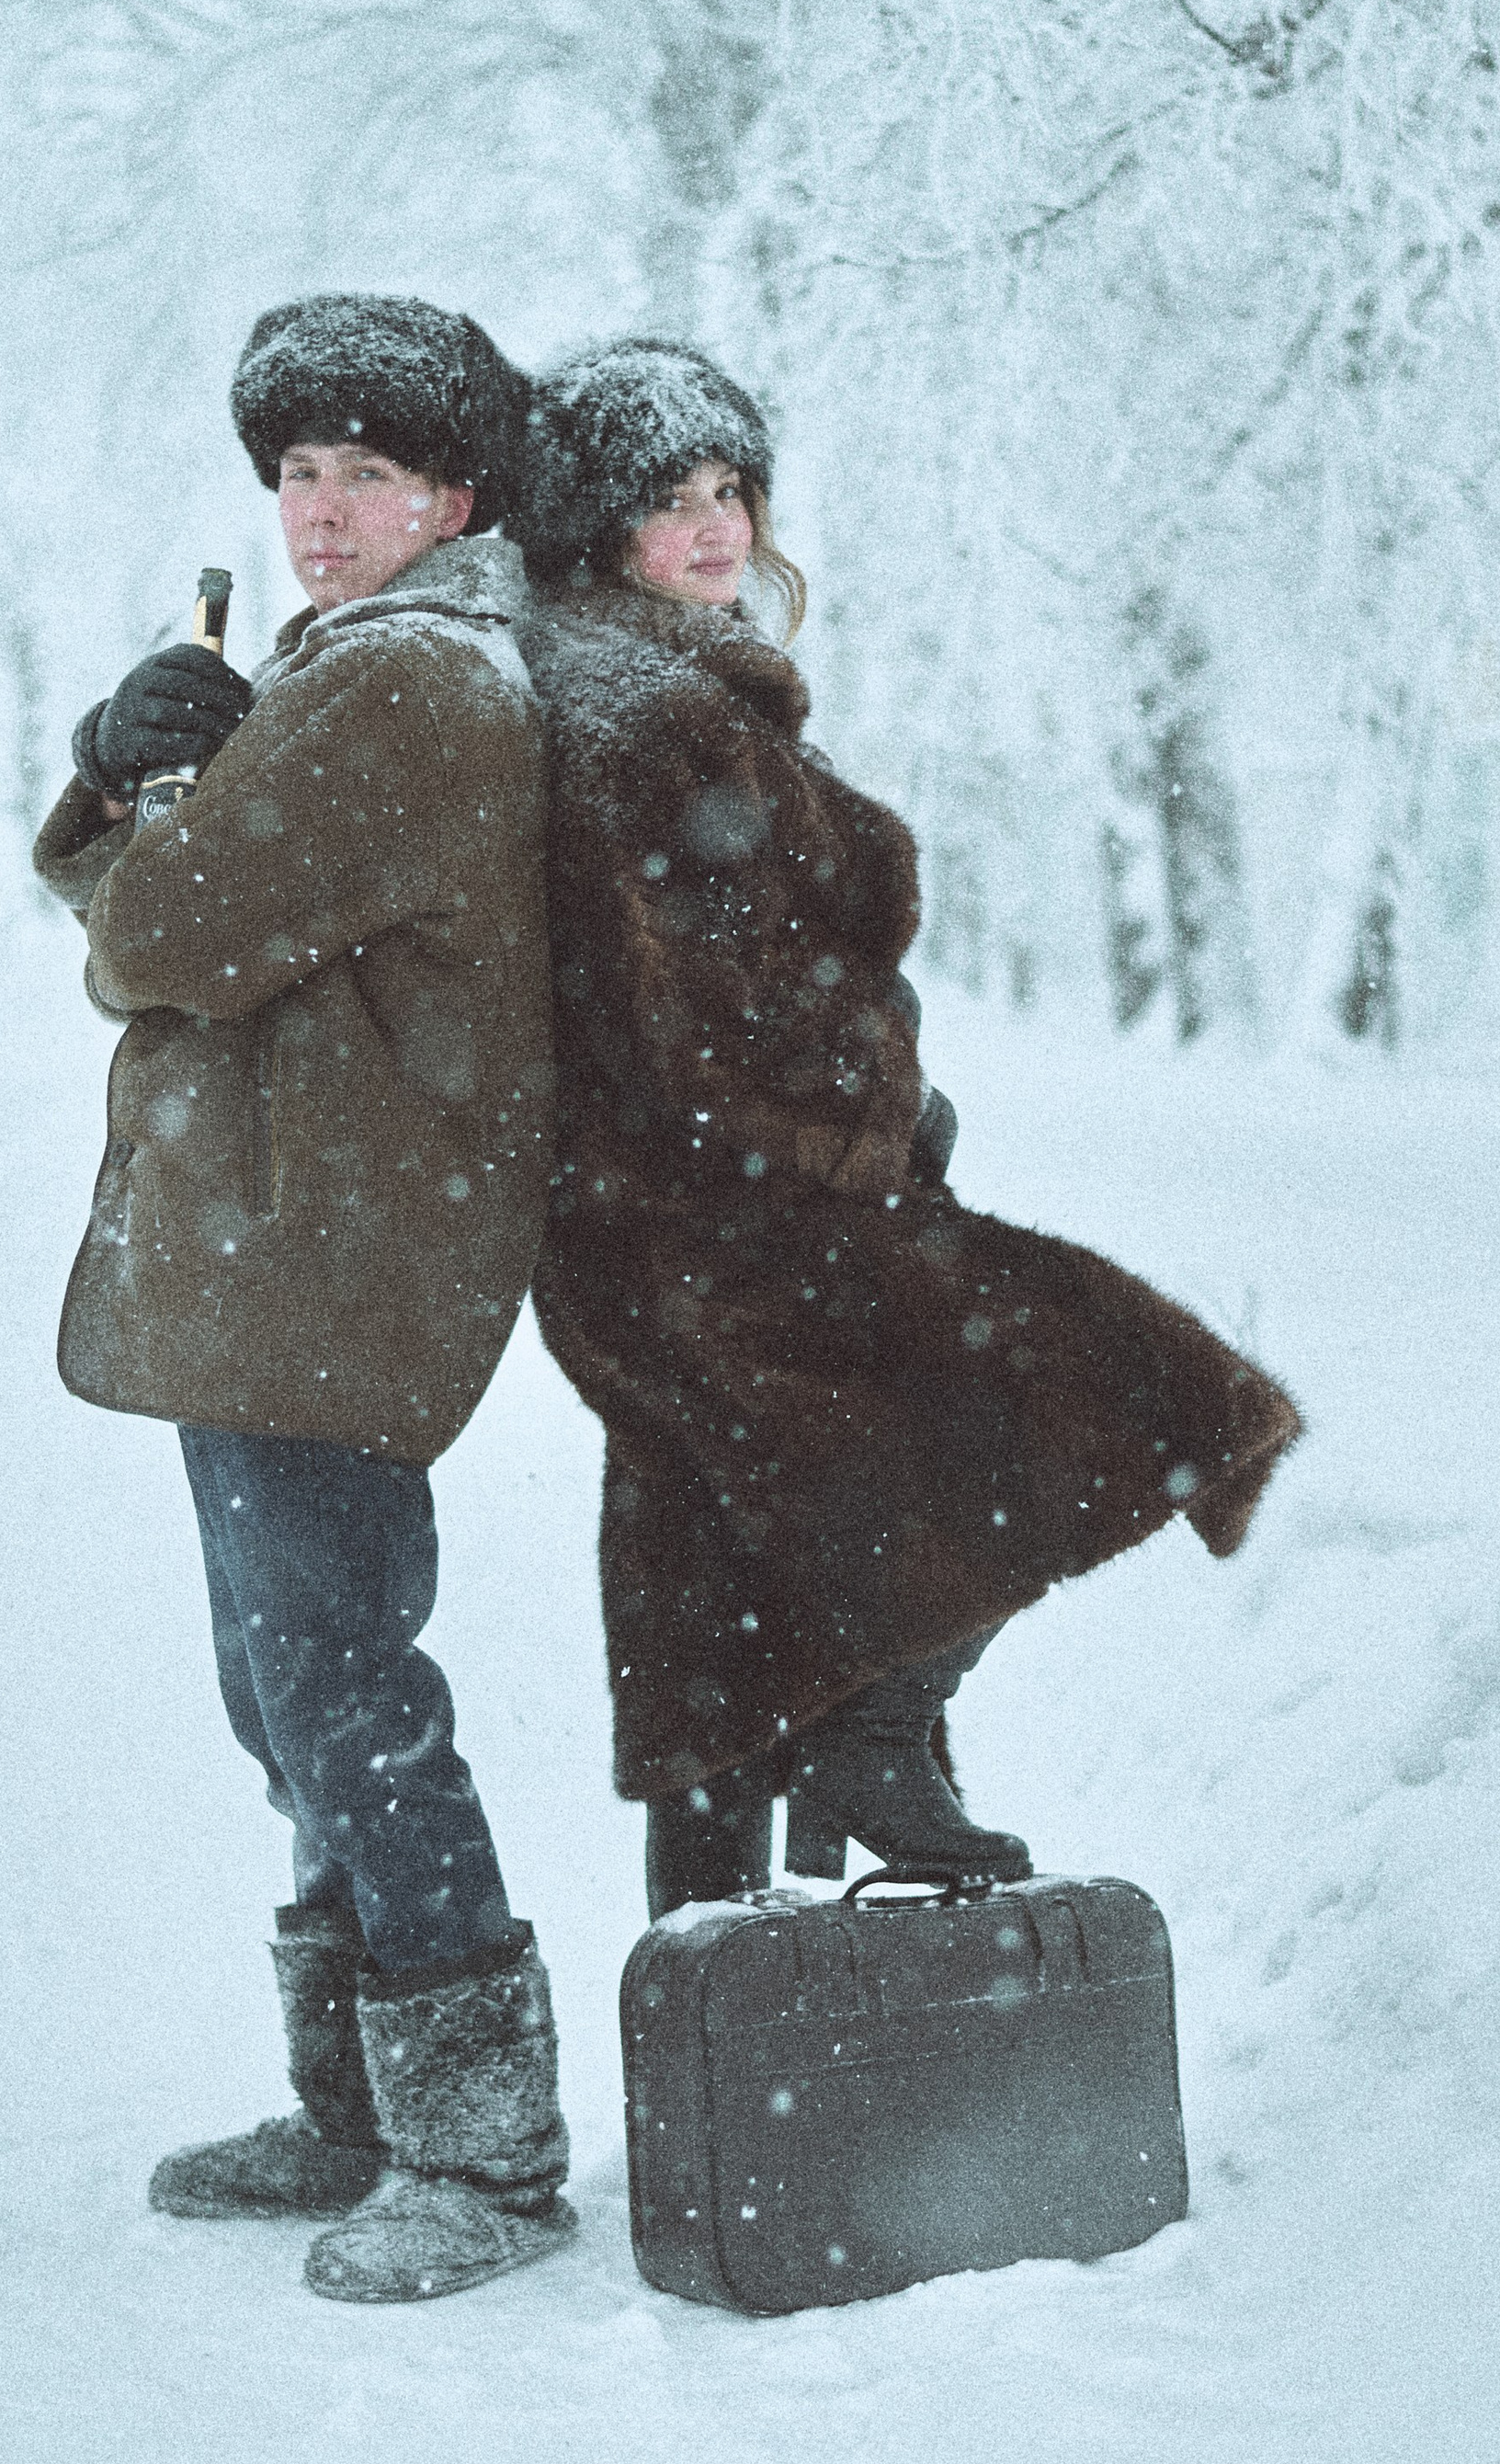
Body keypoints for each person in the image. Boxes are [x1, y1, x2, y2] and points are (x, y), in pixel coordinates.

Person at [510, 338, 1304, 1912]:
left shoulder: (653, 681)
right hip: (724, 1222)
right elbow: (683, 1010)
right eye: (670, 500)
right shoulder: (638, 710)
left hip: (665, 1222)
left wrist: (872, 1102)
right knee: (1129, 1391)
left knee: (718, 1619)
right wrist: (863, 1128)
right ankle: (878, 1735)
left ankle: (720, 1997)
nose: (717, 525)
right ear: (601, 525)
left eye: (732, 489)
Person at [33, 293, 572, 2306]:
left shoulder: (410, 684)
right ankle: (360, 2102)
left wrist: (138, 781)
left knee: (340, 1688)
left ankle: (481, 2151)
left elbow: (162, 936)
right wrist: (150, 764)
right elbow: (188, 913)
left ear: (451, 496)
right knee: (293, 1692)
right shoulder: (349, 666)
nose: (318, 511)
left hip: (328, 1258)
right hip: (289, 1250)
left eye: (364, 472)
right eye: (294, 472)